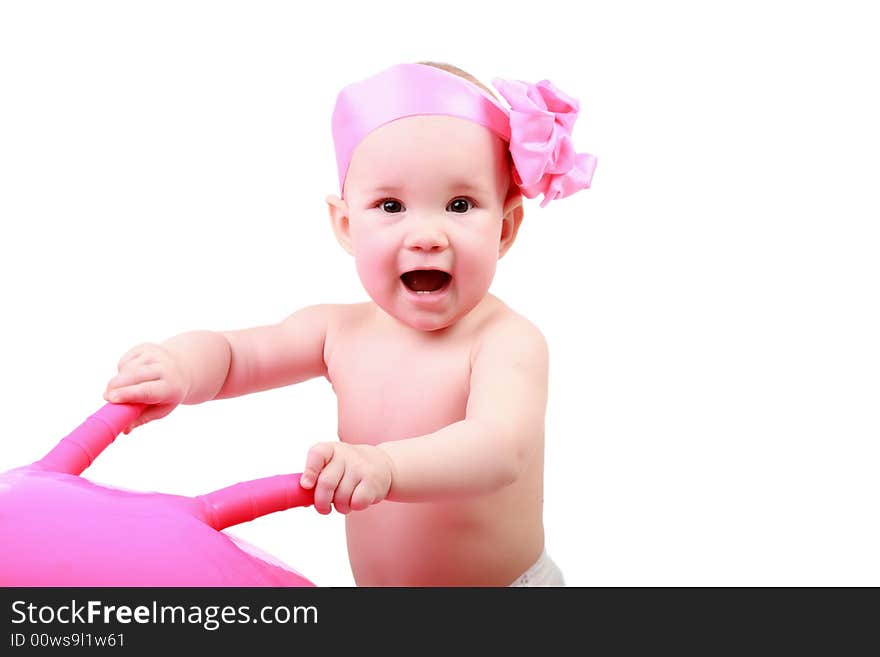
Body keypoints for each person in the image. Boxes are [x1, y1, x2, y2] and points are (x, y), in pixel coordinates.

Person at [103, 61, 596, 586]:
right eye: (391, 205)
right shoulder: (338, 332)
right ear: (345, 225)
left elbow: (498, 448)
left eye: (459, 204)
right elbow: (236, 356)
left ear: (505, 226)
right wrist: (181, 366)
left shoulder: (505, 342)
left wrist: (386, 467)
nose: (427, 234)